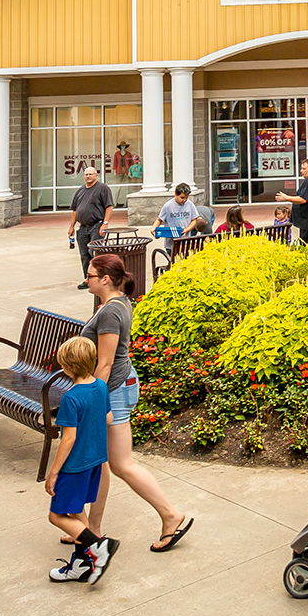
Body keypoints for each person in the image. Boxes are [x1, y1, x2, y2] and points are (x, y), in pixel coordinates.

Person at [76, 253, 194, 554]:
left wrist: (93, 401)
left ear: (104, 279)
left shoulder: (110, 313)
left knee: (121, 464)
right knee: (105, 463)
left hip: (112, 389)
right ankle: (93, 529)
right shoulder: (115, 305)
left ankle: (170, 515)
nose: (86, 278)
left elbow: (104, 363)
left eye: (90, 275)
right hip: (117, 386)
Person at [43, 336, 121, 584]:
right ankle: (82, 564)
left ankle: (99, 548)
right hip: (95, 461)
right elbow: (108, 419)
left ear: (67, 368)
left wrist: (54, 472)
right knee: (78, 513)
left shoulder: (71, 398)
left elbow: (68, 439)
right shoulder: (100, 386)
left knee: (56, 516)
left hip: (74, 466)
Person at [70, 166, 115, 289]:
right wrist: (71, 227)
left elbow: (109, 206)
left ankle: (100, 279)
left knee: (95, 253)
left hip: (97, 225)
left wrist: (105, 223)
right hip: (82, 228)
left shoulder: (102, 188)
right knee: (84, 255)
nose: (88, 176)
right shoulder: (80, 191)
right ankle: (88, 280)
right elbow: (74, 210)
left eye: (91, 174)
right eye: (86, 174)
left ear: (96, 175)